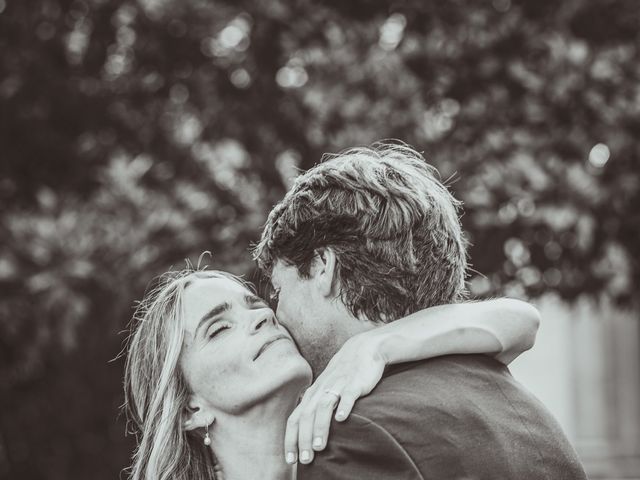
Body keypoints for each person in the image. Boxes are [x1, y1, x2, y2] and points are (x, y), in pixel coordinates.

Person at [253, 142, 587, 478]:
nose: (276, 315)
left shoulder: (354, 432)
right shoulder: (527, 412)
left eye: (279, 291)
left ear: (323, 267)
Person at [124, 267, 539, 480]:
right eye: (219, 329)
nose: (260, 318)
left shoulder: (350, 415)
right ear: (188, 409)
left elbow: (519, 321)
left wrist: (375, 344)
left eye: (254, 305)